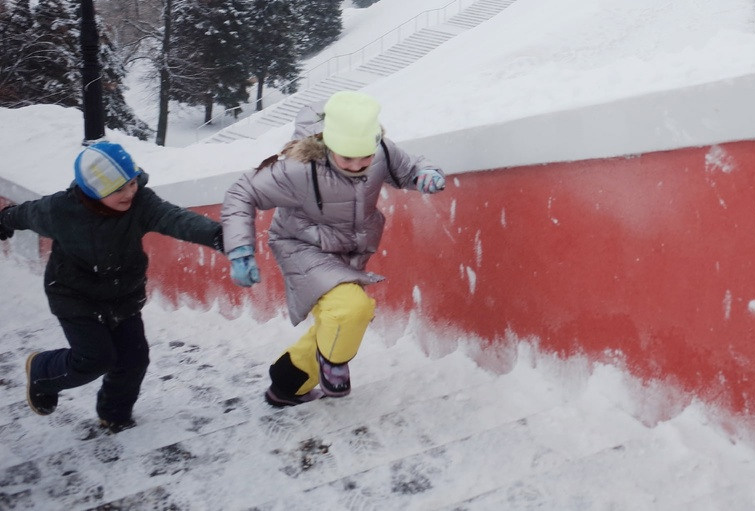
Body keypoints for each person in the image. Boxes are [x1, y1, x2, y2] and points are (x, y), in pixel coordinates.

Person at [220, 90, 446, 407]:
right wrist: (239, 249)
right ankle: (333, 364)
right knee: (350, 310)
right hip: (302, 245)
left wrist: (425, 174)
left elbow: (408, 168)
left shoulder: (379, 149)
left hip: (349, 250)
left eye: (364, 157)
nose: (357, 165)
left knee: (337, 322)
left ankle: (287, 383)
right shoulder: (298, 168)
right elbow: (240, 194)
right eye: (346, 158)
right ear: (328, 145)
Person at [0, 142, 225, 433]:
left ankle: (114, 412)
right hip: (74, 295)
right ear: (94, 189)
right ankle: (43, 371)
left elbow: (174, 218)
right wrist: (4, 220)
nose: (130, 192)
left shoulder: (141, 203)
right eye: (119, 189)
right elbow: (27, 213)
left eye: (132, 183)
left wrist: (220, 235)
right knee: (94, 359)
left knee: (134, 359)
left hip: (123, 295)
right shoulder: (61, 210)